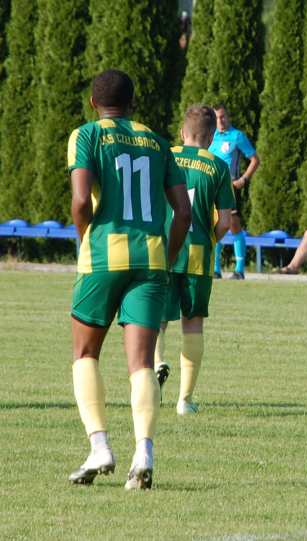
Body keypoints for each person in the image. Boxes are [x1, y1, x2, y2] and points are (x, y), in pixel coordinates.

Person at [66, 69, 192, 490]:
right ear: (133, 102)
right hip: (152, 259)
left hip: (105, 256)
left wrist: (86, 239)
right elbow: (184, 212)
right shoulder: (158, 142)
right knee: (141, 363)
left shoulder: (86, 135)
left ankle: (100, 446)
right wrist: (167, 255)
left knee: (86, 354)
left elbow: (81, 199)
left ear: (92, 102)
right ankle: (144, 452)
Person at [154, 105, 235, 415]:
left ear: (181, 132)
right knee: (193, 323)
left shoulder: (165, 156)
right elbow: (226, 222)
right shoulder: (217, 166)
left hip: (162, 249)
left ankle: (156, 366)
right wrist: (209, 240)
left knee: (156, 320)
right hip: (197, 253)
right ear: (212, 136)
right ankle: (184, 401)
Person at [209, 104, 259, 279]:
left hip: (229, 186)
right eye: (216, 117)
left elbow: (254, 159)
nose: (220, 121)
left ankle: (239, 269)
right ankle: (214, 269)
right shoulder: (211, 136)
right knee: (213, 224)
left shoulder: (237, 136)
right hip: (212, 186)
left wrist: (243, 179)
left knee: (234, 224)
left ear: (228, 117)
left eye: (222, 117)